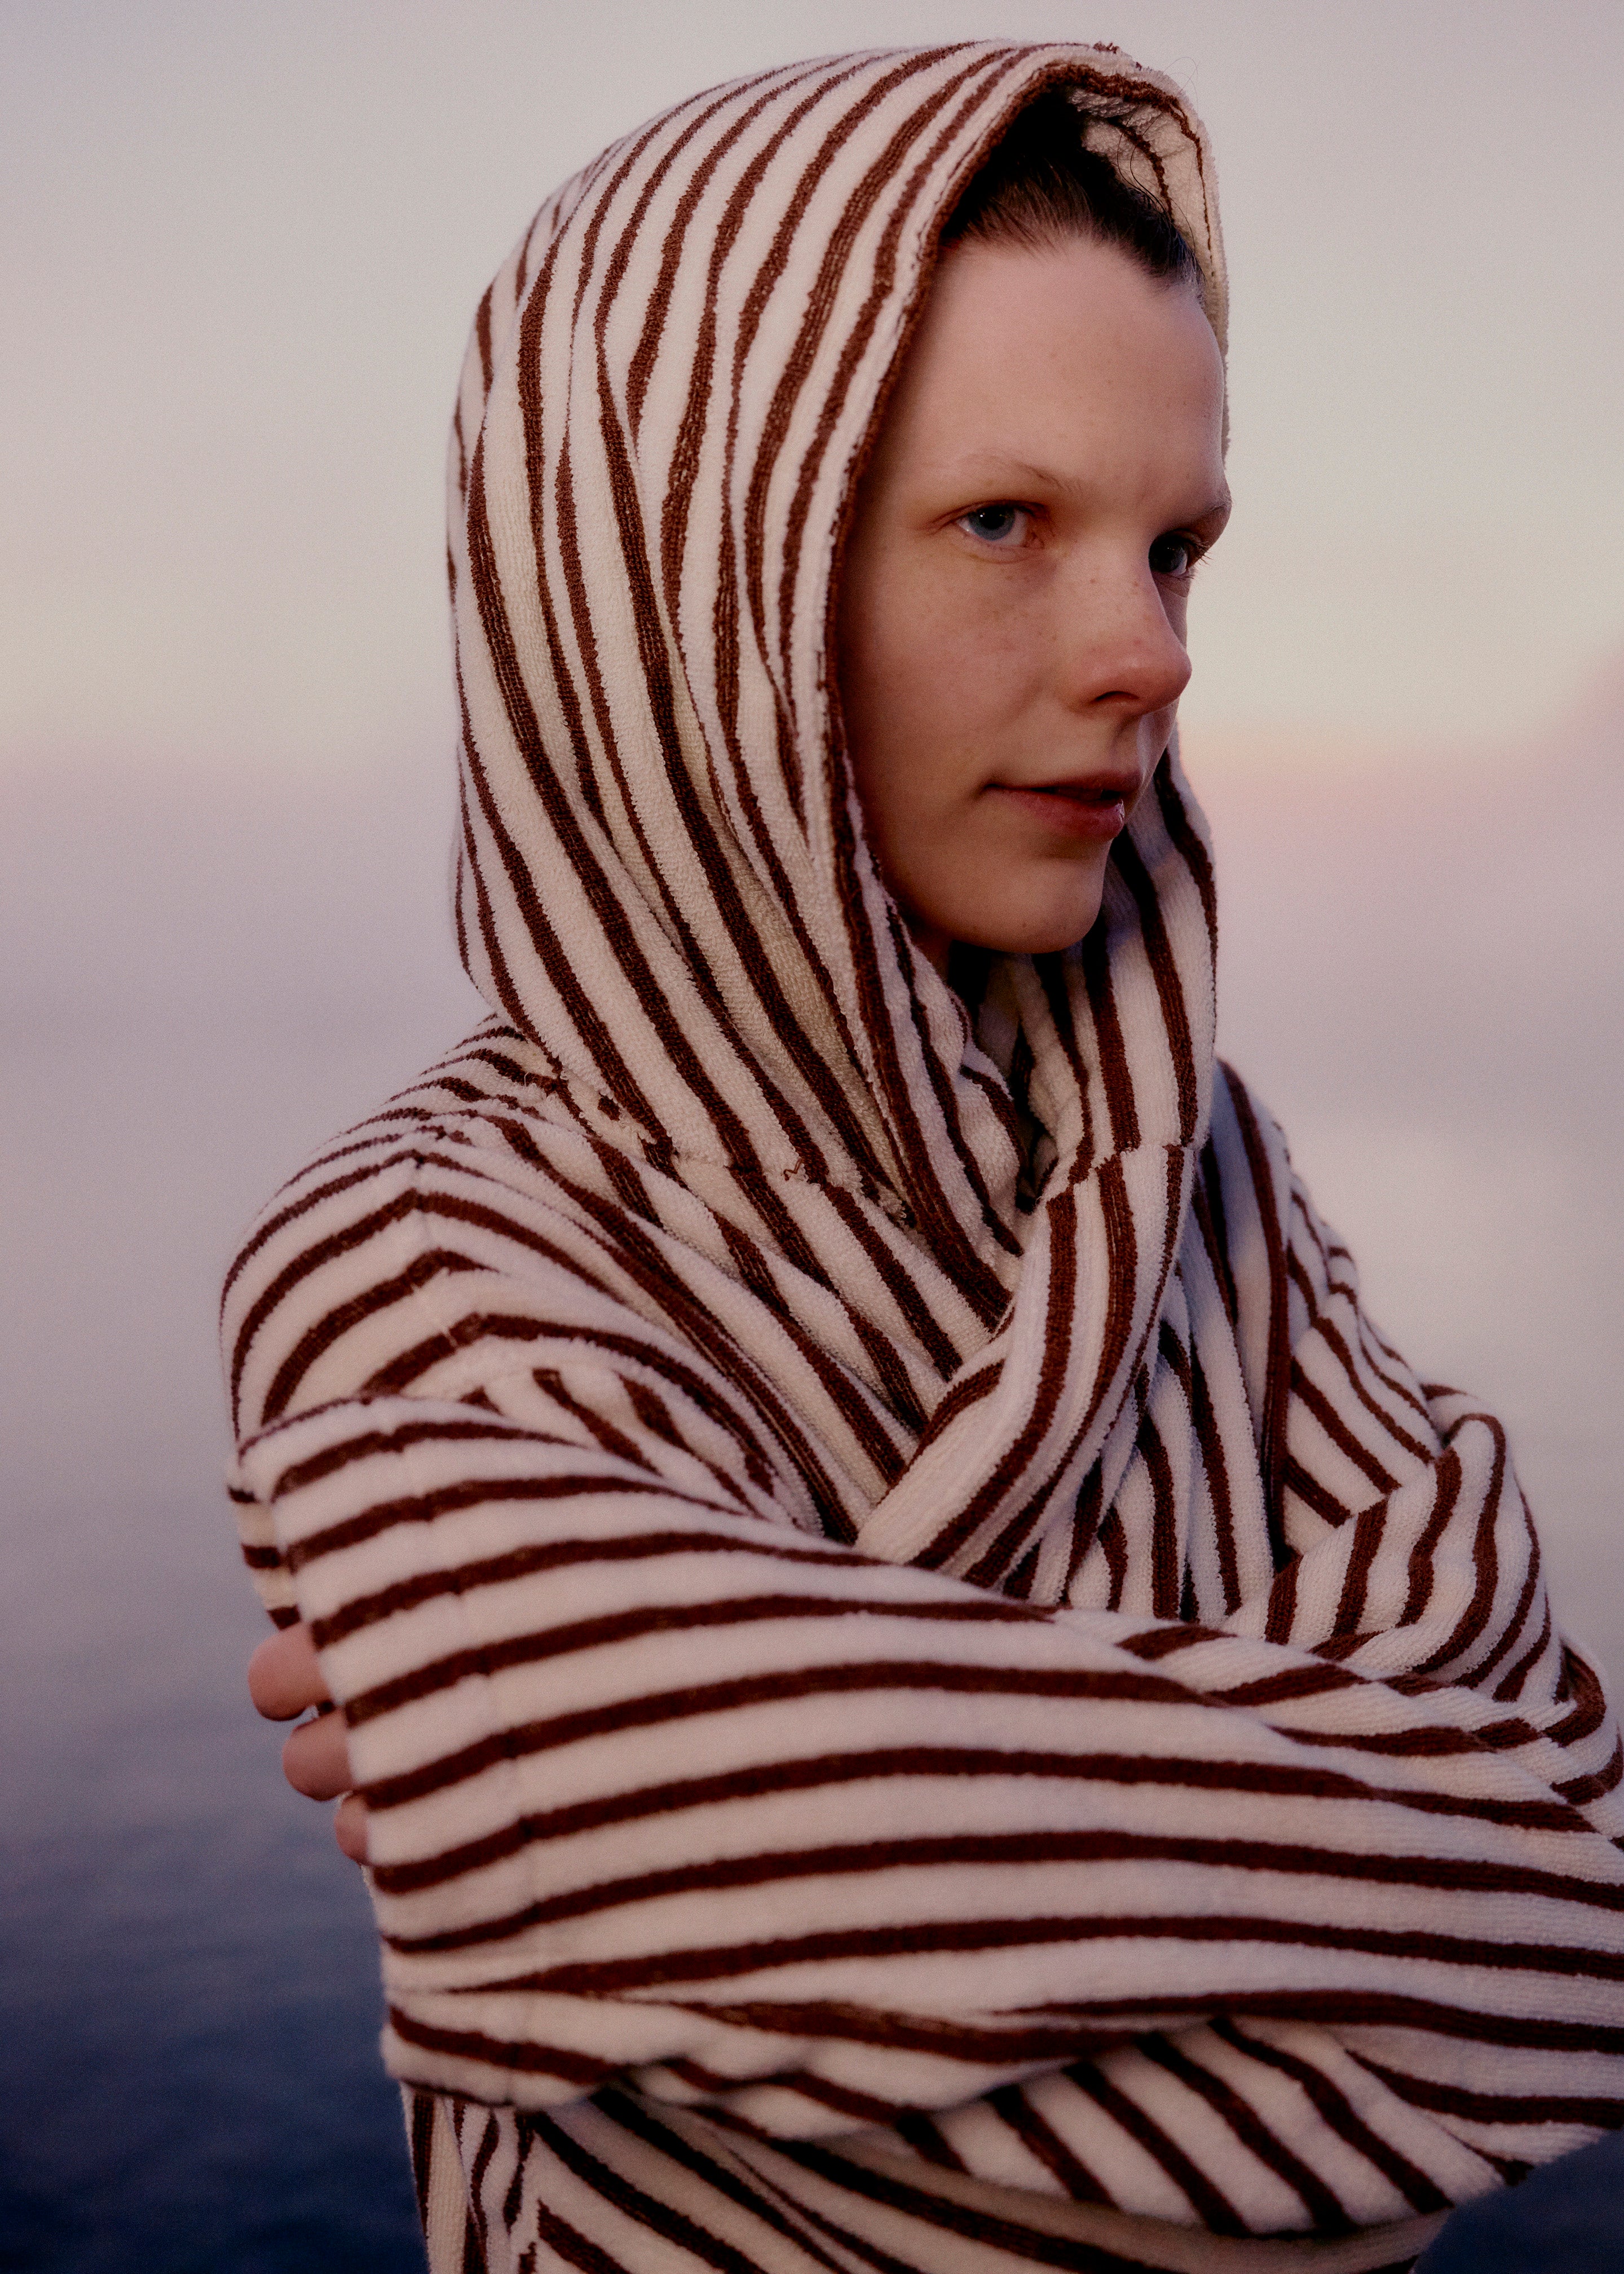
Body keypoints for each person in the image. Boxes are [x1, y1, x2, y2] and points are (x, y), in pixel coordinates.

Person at [230, 42, 1624, 2274]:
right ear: (685, 583)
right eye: (1004, 523)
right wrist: (1393, 1837)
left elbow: (1567, 1851)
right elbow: (1491, 1952)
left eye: (1177, 547)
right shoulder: (420, 1254)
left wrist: (686, 1818)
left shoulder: (1200, 1168)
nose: (1147, 653)